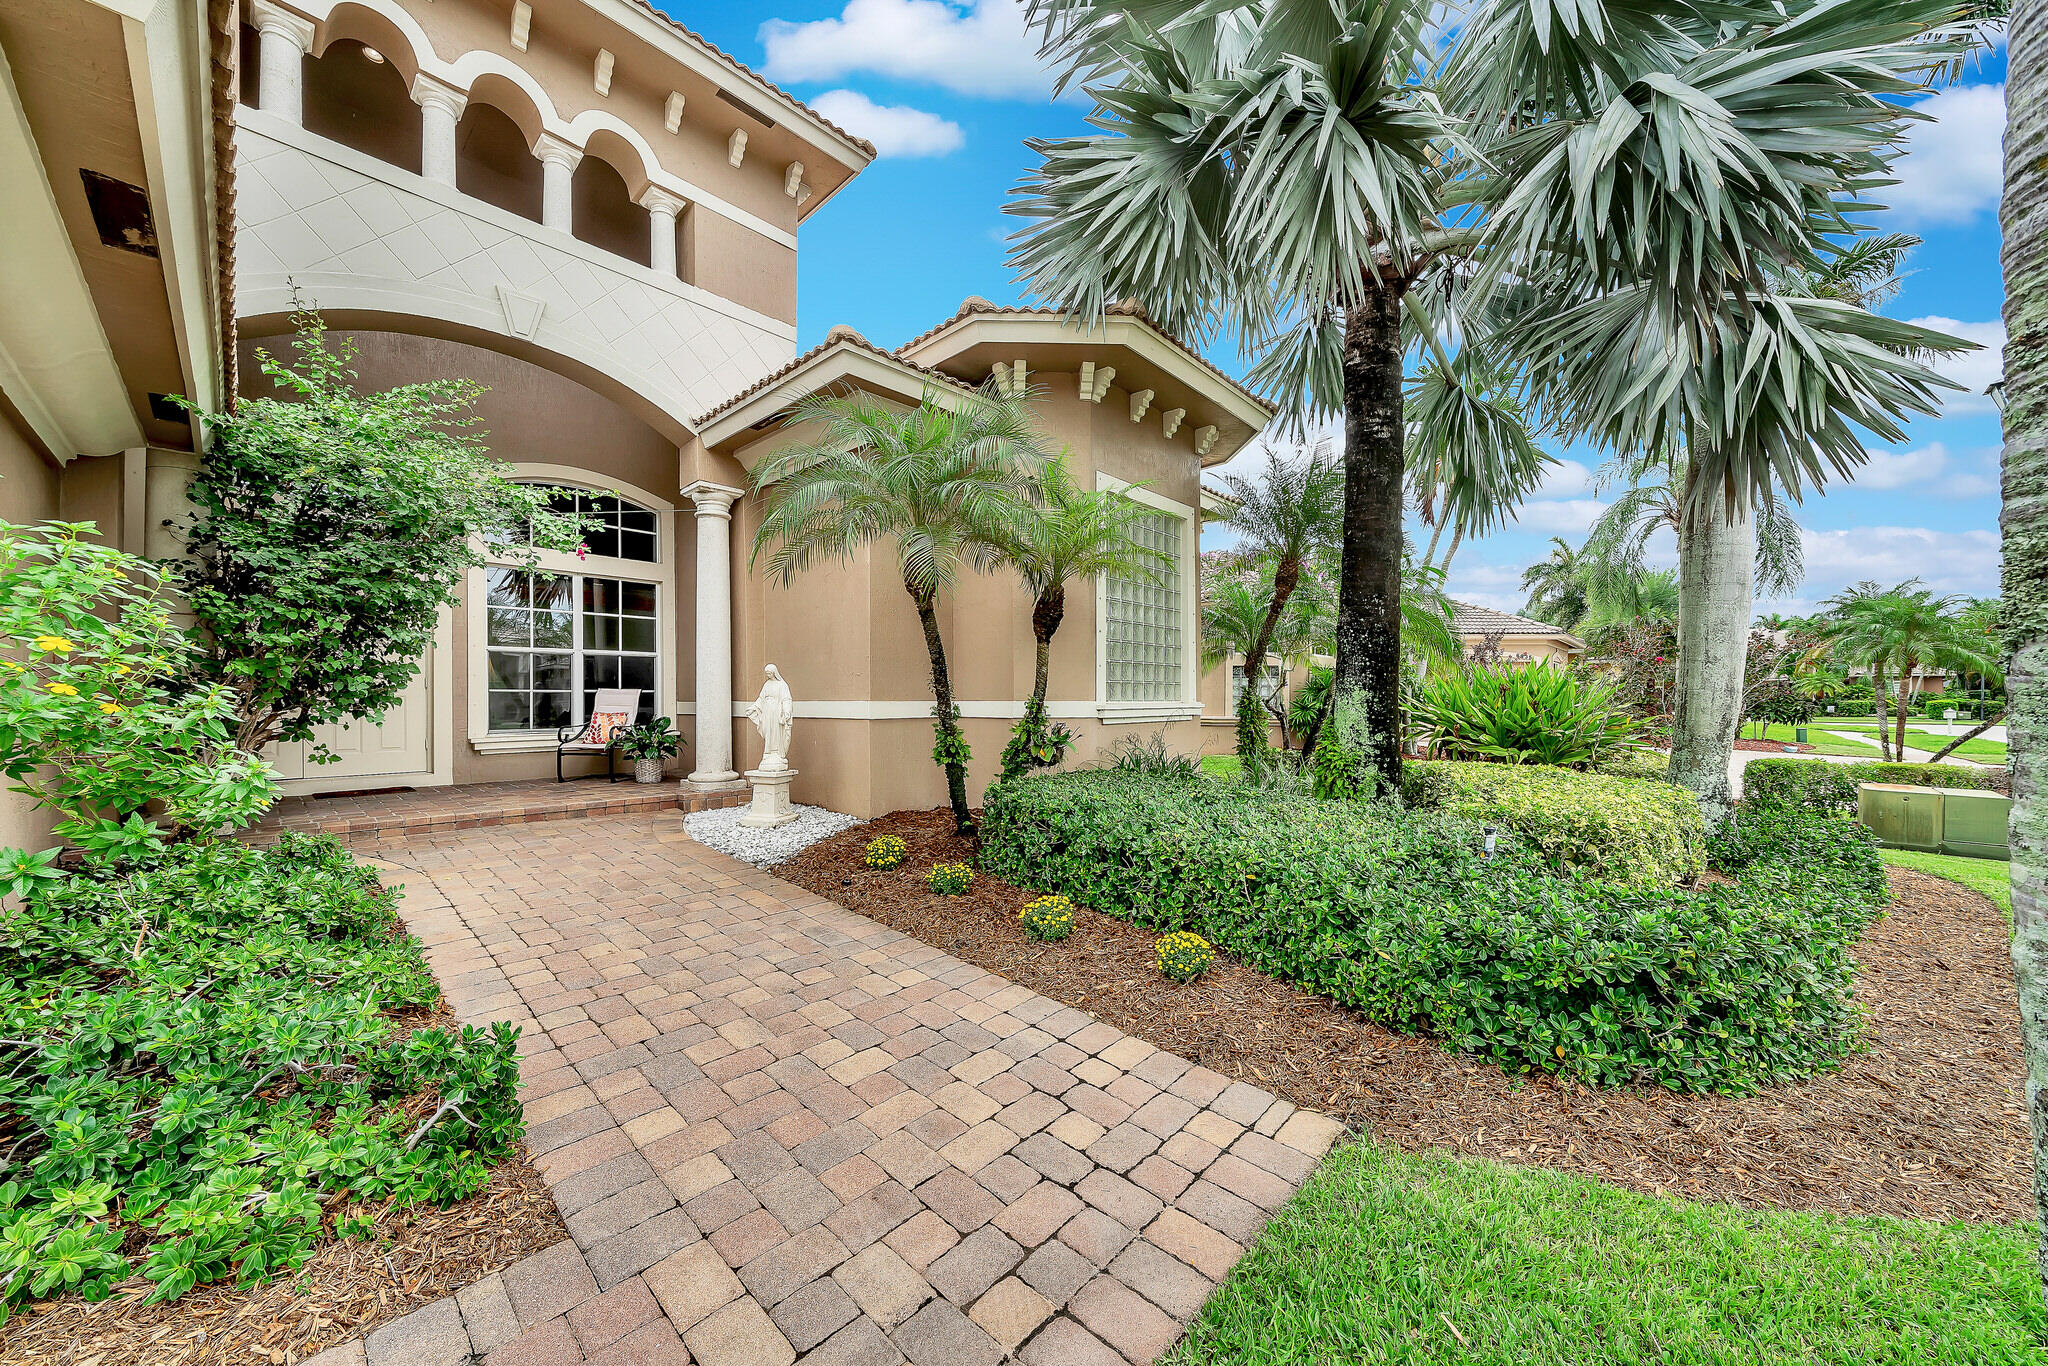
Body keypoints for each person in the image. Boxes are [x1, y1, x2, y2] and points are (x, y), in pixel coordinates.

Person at [746, 663, 793, 771]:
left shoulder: (782, 685)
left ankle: (777, 753)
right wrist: (754, 707)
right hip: (767, 712)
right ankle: (768, 753)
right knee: (768, 731)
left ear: (774, 673)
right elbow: (761, 699)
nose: (768, 675)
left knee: (776, 732)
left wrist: (787, 711)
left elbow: (786, 699)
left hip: (776, 711)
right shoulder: (766, 684)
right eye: (767, 674)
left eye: (769, 673)